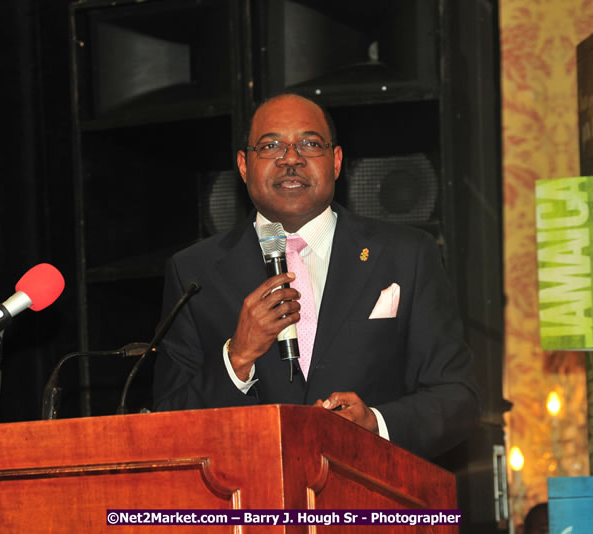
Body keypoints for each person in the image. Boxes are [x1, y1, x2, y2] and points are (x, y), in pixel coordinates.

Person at [152, 93, 480, 458]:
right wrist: (238, 359)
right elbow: (167, 421)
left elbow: (457, 399)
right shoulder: (193, 272)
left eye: (309, 144)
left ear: (336, 161)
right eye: (271, 145)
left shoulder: (407, 255)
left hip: (372, 499)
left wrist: (376, 423)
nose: (291, 158)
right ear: (244, 166)